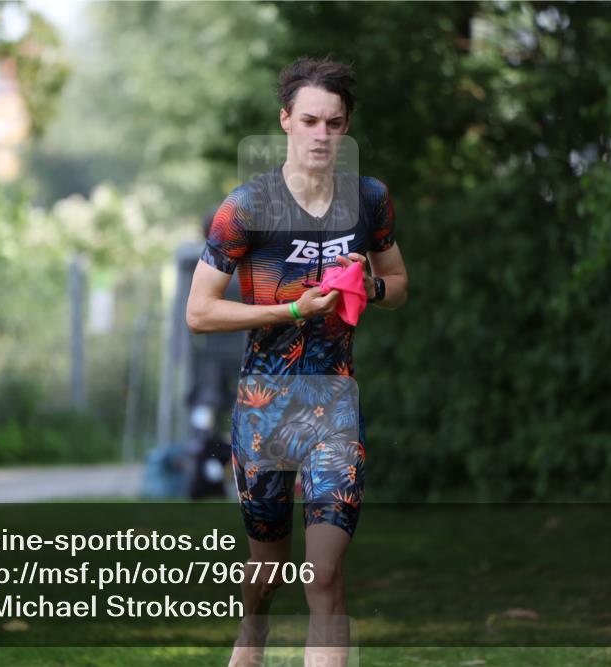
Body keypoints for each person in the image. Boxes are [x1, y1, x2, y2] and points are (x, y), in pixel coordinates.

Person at [186, 56, 408, 667]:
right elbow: (200, 312)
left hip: (335, 404)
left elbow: (399, 281)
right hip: (264, 407)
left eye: (334, 124)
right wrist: (290, 312)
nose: (321, 134)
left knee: (325, 574)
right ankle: (251, 633)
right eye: (309, 120)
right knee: (269, 566)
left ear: (346, 128)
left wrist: (370, 283)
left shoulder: (369, 202)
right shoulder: (247, 208)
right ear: (285, 121)